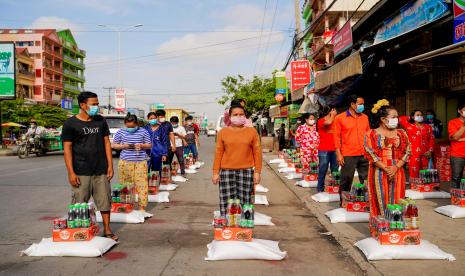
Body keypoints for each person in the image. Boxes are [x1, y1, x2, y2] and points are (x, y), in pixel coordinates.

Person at [61, 91, 117, 240]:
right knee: (79, 204)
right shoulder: (70, 124)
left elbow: (106, 142)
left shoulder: (100, 121)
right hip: (80, 171)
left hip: (101, 170)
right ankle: (80, 232)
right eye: (94, 104)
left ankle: (107, 230)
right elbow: (67, 149)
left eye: (97, 104)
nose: (97, 107)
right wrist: (71, 173)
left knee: (105, 202)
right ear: (82, 105)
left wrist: (110, 165)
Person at [212, 104, 262, 216]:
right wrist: (215, 172)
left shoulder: (252, 132)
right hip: (226, 171)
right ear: (229, 117)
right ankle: (228, 227)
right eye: (235, 114)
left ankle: (246, 227)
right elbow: (218, 153)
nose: (238, 116)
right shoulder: (223, 133)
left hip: (246, 171)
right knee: (226, 202)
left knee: (246, 201)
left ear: (245, 116)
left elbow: (257, 153)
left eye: (241, 114)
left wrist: (257, 172)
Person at [364, 105, 411, 217]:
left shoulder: (402, 133)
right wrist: (387, 169)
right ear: (383, 119)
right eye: (394, 116)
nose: (397, 119)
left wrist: (396, 167)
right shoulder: (371, 134)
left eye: (397, 116)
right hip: (378, 171)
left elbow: (407, 151)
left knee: (397, 199)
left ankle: (395, 227)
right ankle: (380, 229)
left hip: (398, 170)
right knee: (379, 199)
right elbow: (371, 153)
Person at [333, 95, 370, 204]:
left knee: (367, 179)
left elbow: (368, 134)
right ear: (352, 104)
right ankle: (344, 203)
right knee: (346, 180)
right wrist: (338, 154)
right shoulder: (340, 118)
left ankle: (366, 202)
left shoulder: (365, 117)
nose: (362, 106)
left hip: (364, 153)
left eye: (363, 104)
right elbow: (336, 137)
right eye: (360, 104)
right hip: (348, 154)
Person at [111, 114, 151, 211]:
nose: (130, 129)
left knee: (142, 185)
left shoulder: (143, 131)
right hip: (125, 162)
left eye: (132, 127)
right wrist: (123, 146)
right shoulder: (120, 131)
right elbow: (114, 145)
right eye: (128, 127)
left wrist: (141, 146)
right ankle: (126, 206)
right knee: (125, 185)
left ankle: (142, 207)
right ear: (125, 124)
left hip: (140, 162)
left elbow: (149, 145)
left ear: (136, 124)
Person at [399, 110, 435, 180]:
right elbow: (400, 119)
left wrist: (430, 151)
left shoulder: (428, 127)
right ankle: (414, 188)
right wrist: (410, 117)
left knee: (426, 176)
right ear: (413, 117)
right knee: (414, 175)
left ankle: (425, 189)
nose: (420, 116)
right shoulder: (409, 126)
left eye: (421, 115)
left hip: (426, 154)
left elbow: (432, 139)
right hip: (413, 154)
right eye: (417, 115)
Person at [317, 107, 338, 192]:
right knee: (323, 169)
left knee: (335, 171)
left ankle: (335, 188)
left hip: (335, 149)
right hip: (324, 149)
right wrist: (332, 115)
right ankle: (320, 189)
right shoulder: (320, 121)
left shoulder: (335, 121)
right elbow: (328, 122)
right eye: (333, 111)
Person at [448, 100, 465, 188]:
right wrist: (463, 126)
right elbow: (455, 137)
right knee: (456, 178)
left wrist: (461, 139)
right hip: (457, 155)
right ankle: (455, 199)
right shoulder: (453, 122)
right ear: (459, 111)